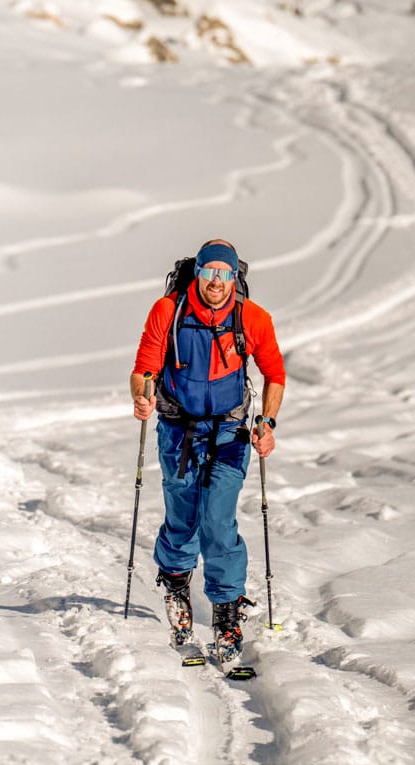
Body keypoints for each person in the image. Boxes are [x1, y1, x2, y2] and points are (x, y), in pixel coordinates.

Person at [131, 239, 285, 667]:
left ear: (235, 278)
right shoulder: (169, 311)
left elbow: (274, 373)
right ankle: (177, 587)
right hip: (178, 428)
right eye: (209, 271)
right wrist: (141, 397)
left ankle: (226, 611)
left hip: (230, 431)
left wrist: (267, 424)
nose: (216, 281)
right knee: (183, 513)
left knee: (219, 518)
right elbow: (144, 367)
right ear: (196, 273)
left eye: (224, 273)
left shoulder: (251, 318)